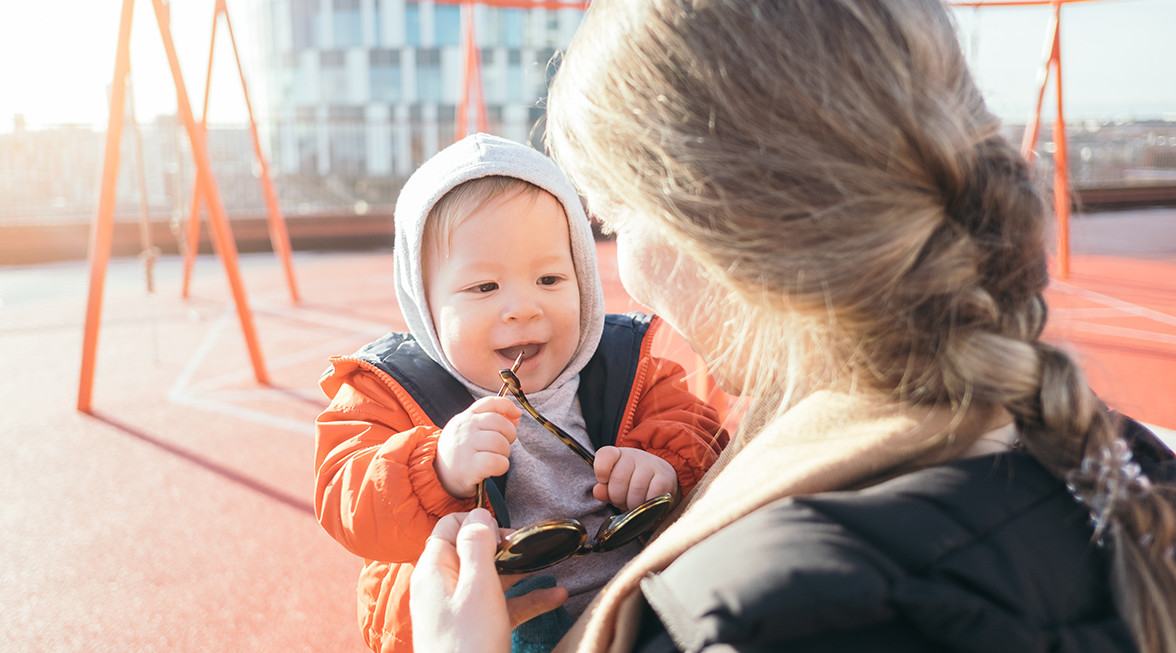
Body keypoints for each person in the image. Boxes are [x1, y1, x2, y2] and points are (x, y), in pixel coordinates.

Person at [408, 1, 1176, 652]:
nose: (624, 274)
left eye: (615, 220)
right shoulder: (1122, 457)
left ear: (713, 227)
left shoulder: (760, 611)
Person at [313, 133, 727, 653]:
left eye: (550, 278)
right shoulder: (391, 391)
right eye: (485, 288)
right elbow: (344, 498)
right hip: (486, 624)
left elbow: (700, 431)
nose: (523, 308)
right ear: (424, 302)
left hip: (638, 595)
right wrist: (434, 467)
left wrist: (665, 465)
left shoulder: (626, 364)